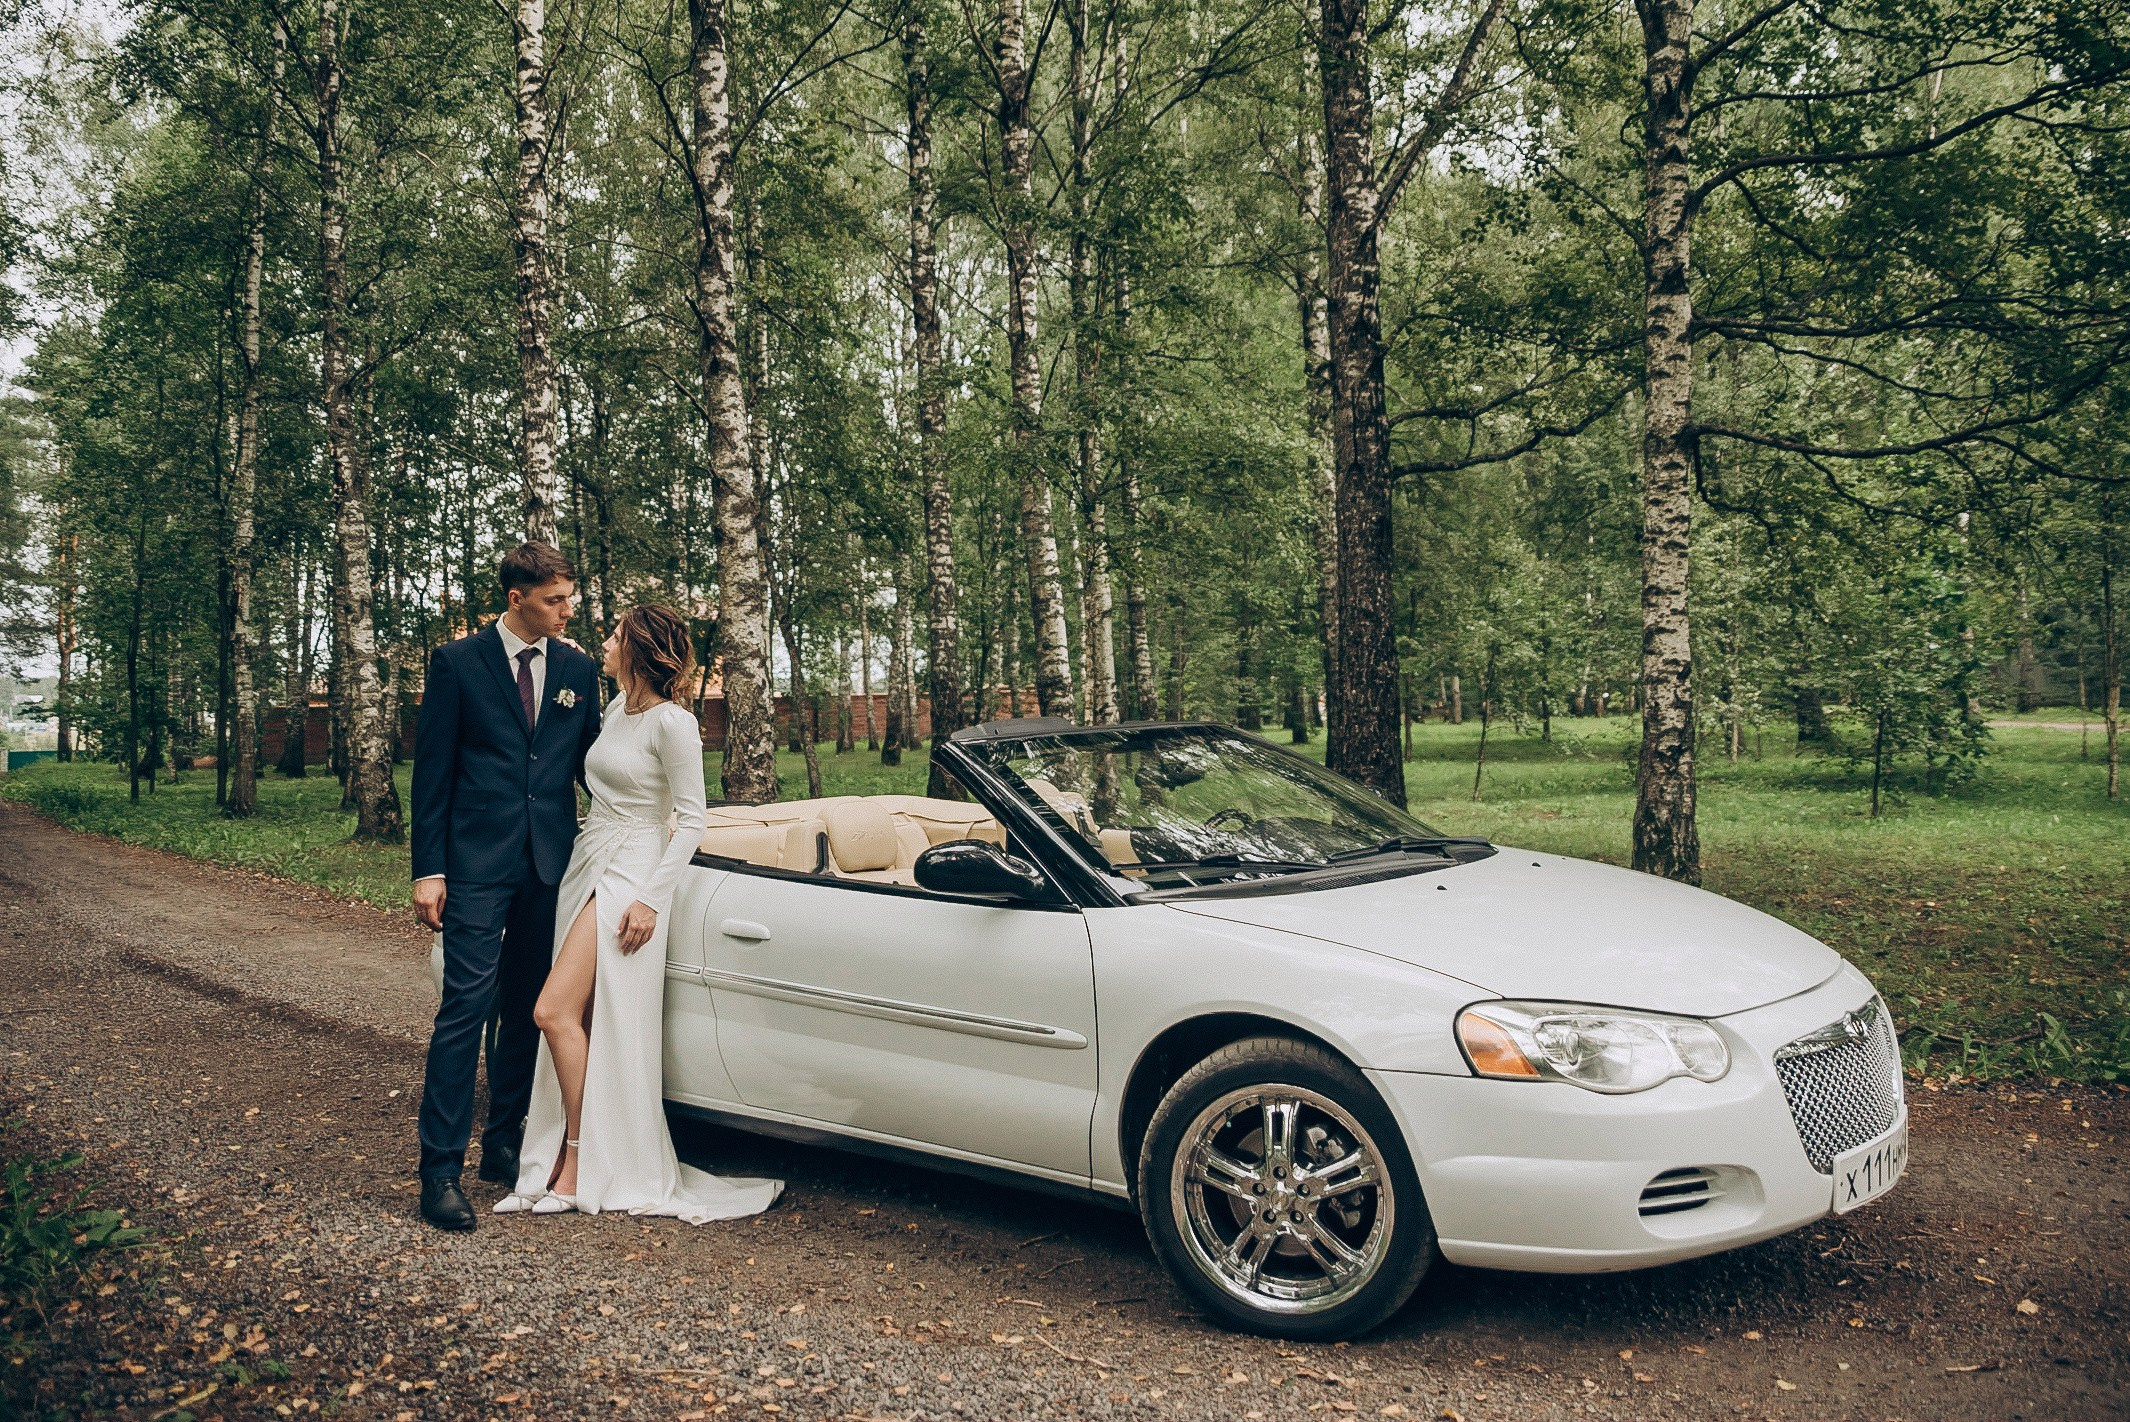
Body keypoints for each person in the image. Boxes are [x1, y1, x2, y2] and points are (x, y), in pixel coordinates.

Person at [496, 604, 782, 1221]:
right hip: (589, 859)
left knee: (552, 1010)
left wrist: (652, 898)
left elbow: (693, 821)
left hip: (632, 874)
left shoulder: (673, 724)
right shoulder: (614, 711)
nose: (604, 641)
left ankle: (577, 1164)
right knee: (585, 1021)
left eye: (616, 634)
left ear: (640, 648)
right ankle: (554, 1165)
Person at [410, 543, 603, 1232]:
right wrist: (428, 870)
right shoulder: (458, 664)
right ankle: (439, 1173)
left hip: (549, 864)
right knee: (464, 1009)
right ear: (516, 597)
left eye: (568, 597)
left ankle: (504, 1145)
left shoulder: (578, 667)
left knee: (527, 1008)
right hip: (474, 865)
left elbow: (594, 765)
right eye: (554, 599)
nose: (566, 609)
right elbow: (432, 773)